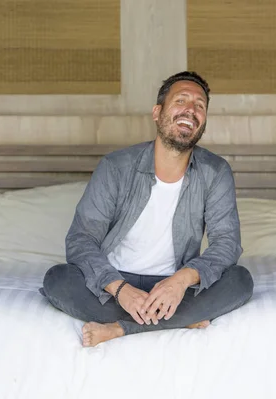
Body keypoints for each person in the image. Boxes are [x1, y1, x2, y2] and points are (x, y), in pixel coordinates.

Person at [42, 71, 254, 347]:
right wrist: (120, 290)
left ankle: (122, 327)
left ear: (203, 121)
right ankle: (179, 319)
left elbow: (226, 244)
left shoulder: (215, 172)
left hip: (176, 286)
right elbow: (82, 240)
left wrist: (180, 282)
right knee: (57, 279)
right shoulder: (116, 167)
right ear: (157, 112)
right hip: (114, 283)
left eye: (199, 105)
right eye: (181, 101)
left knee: (240, 281)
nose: (190, 109)